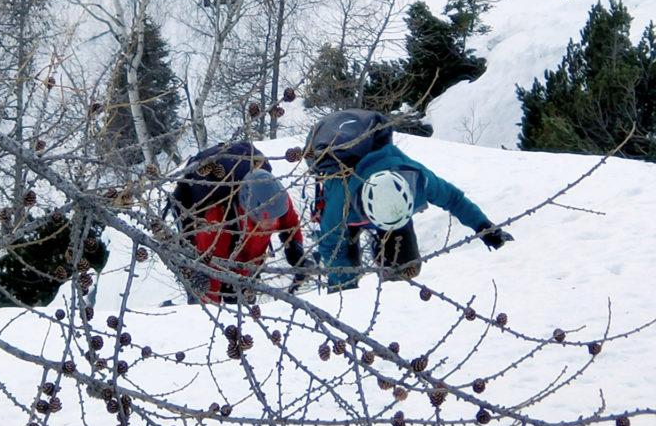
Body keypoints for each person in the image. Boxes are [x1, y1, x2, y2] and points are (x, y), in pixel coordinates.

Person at [304, 109, 512, 293]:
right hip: (348, 205)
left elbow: (454, 199)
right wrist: (343, 290)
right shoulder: (342, 201)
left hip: (389, 205)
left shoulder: (417, 179)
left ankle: (398, 297)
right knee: (345, 270)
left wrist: (486, 229)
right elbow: (331, 246)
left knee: (405, 267)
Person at [170, 141, 309, 303]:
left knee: (246, 307)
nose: (273, 223)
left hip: (250, 264)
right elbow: (208, 269)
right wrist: (206, 312)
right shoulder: (217, 222)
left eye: (275, 217)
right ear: (247, 209)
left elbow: (290, 223)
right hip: (218, 263)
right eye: (266, 219)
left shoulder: (276, 199)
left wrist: (296, 252)